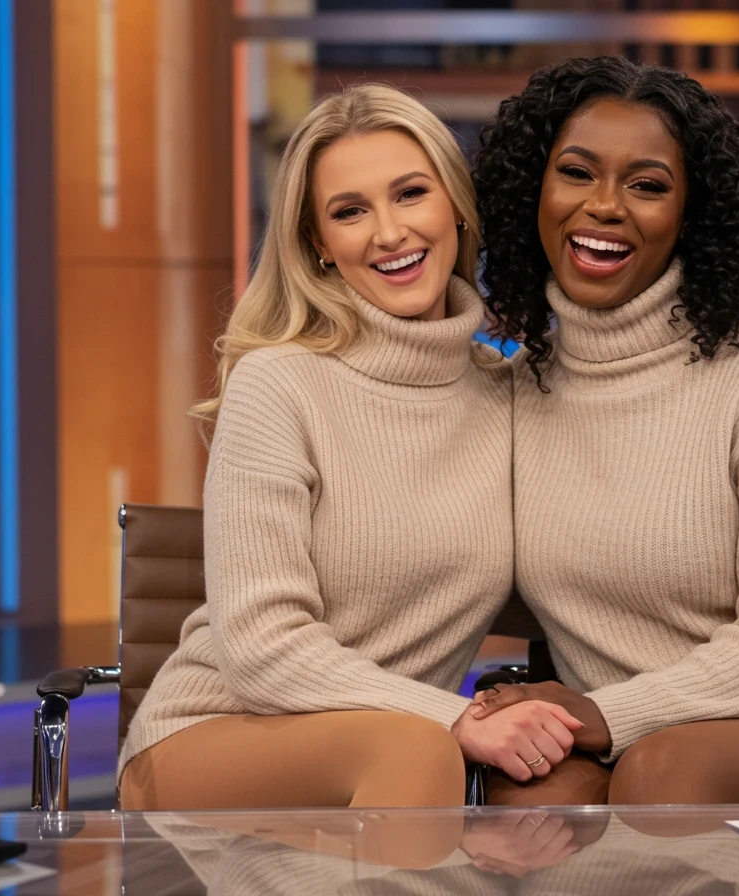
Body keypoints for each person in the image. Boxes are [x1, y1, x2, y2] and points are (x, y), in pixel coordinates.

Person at [117, 84, 581, 811]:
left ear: (456, 206)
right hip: (221, 736)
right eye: (349, 211)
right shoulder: (280, 384)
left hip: (392, 761)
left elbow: (563, 572)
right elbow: (261, 646)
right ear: (318, 246)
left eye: (409, 194)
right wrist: (452, 716)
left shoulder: (508, 392)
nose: (389, 232)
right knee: (414, 750)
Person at [468, 56, 739, 806]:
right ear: (531, 193)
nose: (604, 206)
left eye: (647, 185)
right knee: (529, 808)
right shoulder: (515, 392)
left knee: (665, 774)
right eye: (577, 172)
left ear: (691, 215)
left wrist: (609, 713)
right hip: (618, 743)